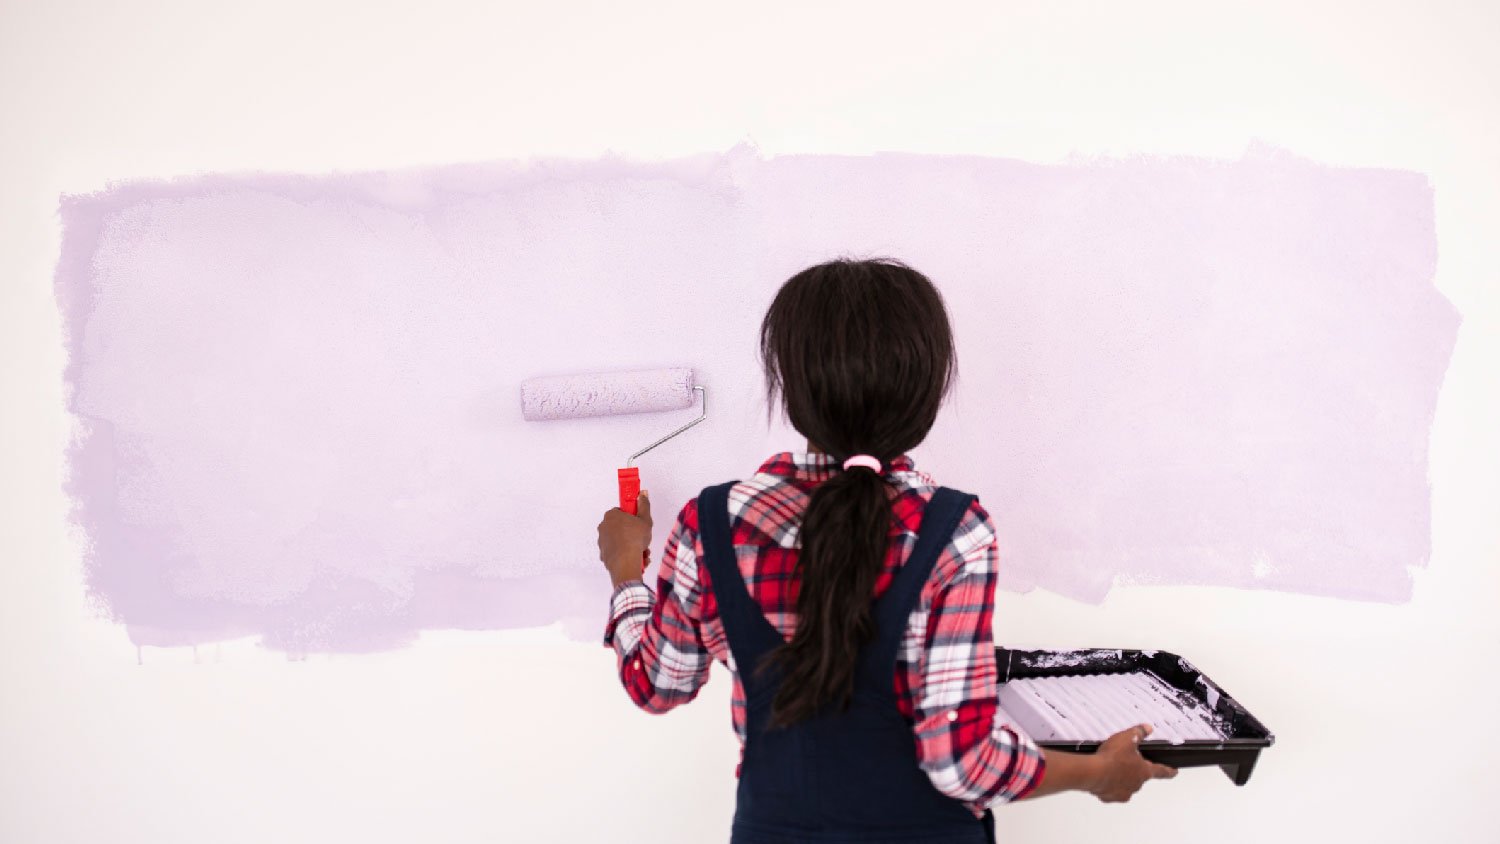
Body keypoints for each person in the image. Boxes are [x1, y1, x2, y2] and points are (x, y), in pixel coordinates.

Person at [597, 258, 1175, 843]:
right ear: (922, 398)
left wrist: (626, 572)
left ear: (793, 392)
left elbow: (657, 683)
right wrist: (1100, 772)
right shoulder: (953, 532)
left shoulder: (711, 525)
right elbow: (962, 763)